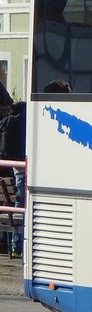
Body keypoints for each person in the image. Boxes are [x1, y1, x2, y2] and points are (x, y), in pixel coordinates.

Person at [1, 100, 25, 259]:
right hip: (24, 164)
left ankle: (14, 248)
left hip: (14, 164)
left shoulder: (6, 121)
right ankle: (17, 247)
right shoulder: (25, 120)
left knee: (16, 200)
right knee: (21, 202)